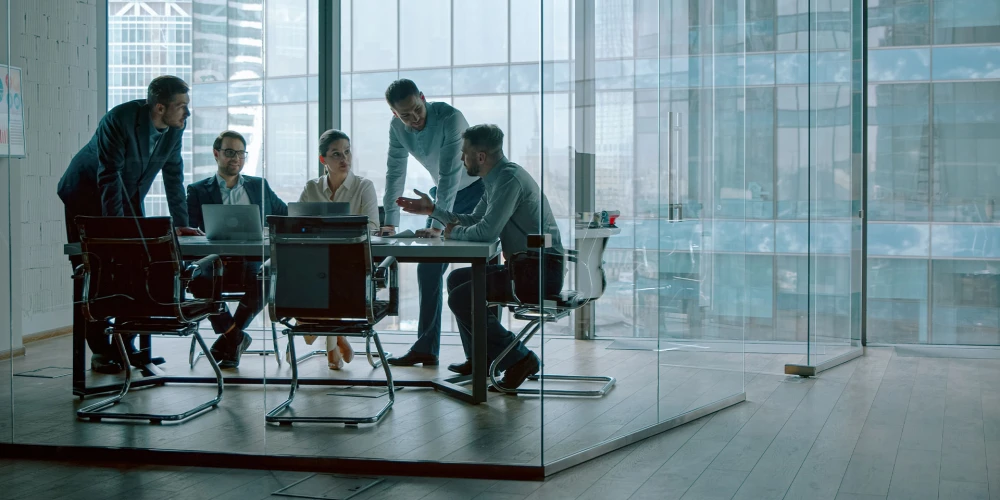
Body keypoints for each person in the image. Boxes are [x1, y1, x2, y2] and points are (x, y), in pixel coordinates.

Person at [397, 124, 565, 390]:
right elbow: (475, 220)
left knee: (462, 297)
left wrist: (452, 231)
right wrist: (434, 210)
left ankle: (520, 357)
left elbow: (487, 232)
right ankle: (481, 358)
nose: (461, 159)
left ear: (481, 156)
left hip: (540, 271)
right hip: (525, 267)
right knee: (457, 279)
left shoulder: (509, 180)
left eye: (464, 153)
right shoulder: (496, 179)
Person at [57, 75, 202, 374]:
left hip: (127, 193)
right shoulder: (119, 119)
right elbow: (108, 176)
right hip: (85, 193)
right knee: (95, 270)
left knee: (139, 267)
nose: (187, 113)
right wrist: (118, 233)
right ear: (160, 107)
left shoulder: (176, 127)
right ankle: (101, 352)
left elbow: (173, 175)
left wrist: (182, 224)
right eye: (181, 106)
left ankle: (124, 344)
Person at [380, 79, 486, 369]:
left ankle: (481, 356)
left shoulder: (451, 118)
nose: (414, 118)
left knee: (479, 270)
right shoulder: (397, 128)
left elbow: (450, 172)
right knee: (427, 268)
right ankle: (426, 348)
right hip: (443, 196)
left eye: (417, 109)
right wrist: (390, 222)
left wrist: (439, 223)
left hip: (478, 191)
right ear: (394, 114)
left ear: (423, 98)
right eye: (405, 115)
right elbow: (394, 173)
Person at [186, 130, 288, 368]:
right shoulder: (198, 190)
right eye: (230, 152)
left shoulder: (259, 186)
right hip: (214, 262)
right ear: (216, 154)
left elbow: (284, 216)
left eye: (241, 153)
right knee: (198, 281)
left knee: (268, 278)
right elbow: (189, 230)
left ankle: (230, 339)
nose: (236, 158)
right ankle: (235, 338)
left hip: (251, 261)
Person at [298, 129, 380, 369]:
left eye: (347, 152)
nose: (344, 158)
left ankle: (323, 337)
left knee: (325, 276)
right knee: (304, 273)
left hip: (352, 264)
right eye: (336, 154)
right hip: (316, 263)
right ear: (323, 159)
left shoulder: (364, 186)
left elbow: (372, 227)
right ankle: (335, 339)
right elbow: (296, 224)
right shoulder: (311, 188)